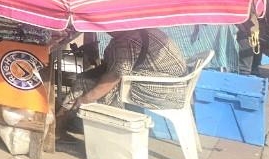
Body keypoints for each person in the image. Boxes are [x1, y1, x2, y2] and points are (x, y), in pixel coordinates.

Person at [58, 28, 189, 125]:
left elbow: (115, 75)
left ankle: (62, 122)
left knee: (86, 86)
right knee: (86, 79)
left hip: (166, 92)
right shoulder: (139, 30)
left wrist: (85, 99)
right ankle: (70, 116)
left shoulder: (127, 41)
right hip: (177, 85)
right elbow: (112, 66)